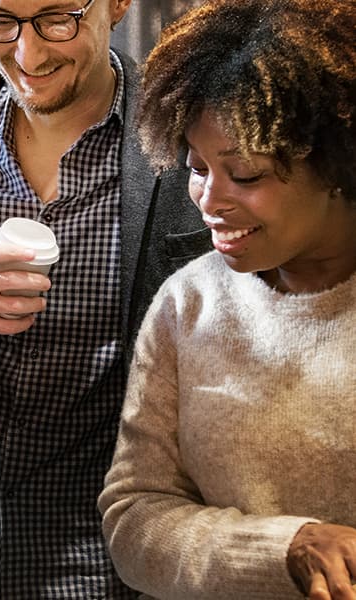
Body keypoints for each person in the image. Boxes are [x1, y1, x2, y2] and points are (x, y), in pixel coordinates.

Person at [0, 0, 217, 597]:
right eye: (2, 20)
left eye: (56, 18)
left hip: (108, 555)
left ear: (116, 6)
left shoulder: (188, 143)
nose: (28, 54)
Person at [98, 1, 356, 598]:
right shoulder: (188, 305)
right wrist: (286, 548)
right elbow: (136, 519)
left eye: (245, 174)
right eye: (195, 167)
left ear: (337, 161)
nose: (210, 201)